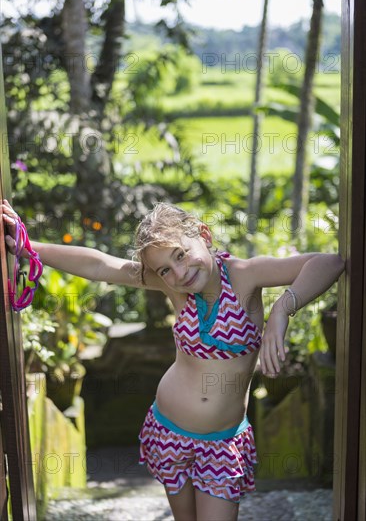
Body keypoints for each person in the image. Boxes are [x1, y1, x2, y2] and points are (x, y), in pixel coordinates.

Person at [2, 199, 345, 521]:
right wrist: (29, 247)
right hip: (169, 432)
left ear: (204, 236)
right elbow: (100, 265)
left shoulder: (245, 275)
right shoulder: (175, 290)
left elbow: (330, 262)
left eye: (181, 255)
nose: (178, 273)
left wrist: (283, 309)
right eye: (165, 270)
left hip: (222, 443)